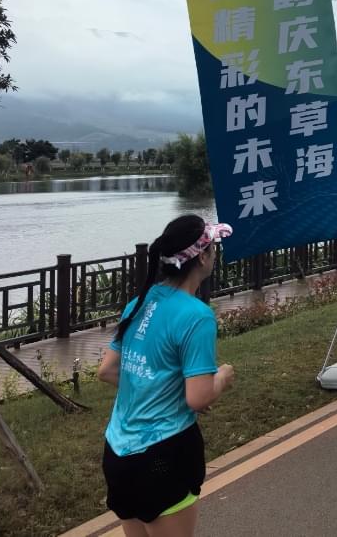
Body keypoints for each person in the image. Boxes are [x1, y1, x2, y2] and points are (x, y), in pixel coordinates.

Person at [97, 215, 236, 535]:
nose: (215, 255)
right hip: (165, 456)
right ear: (202, 257)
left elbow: (106, 370)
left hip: (117, 455)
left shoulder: (138, 302)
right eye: (213, 248)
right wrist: (222, 377)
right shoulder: (196, 316)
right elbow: (198, 397)